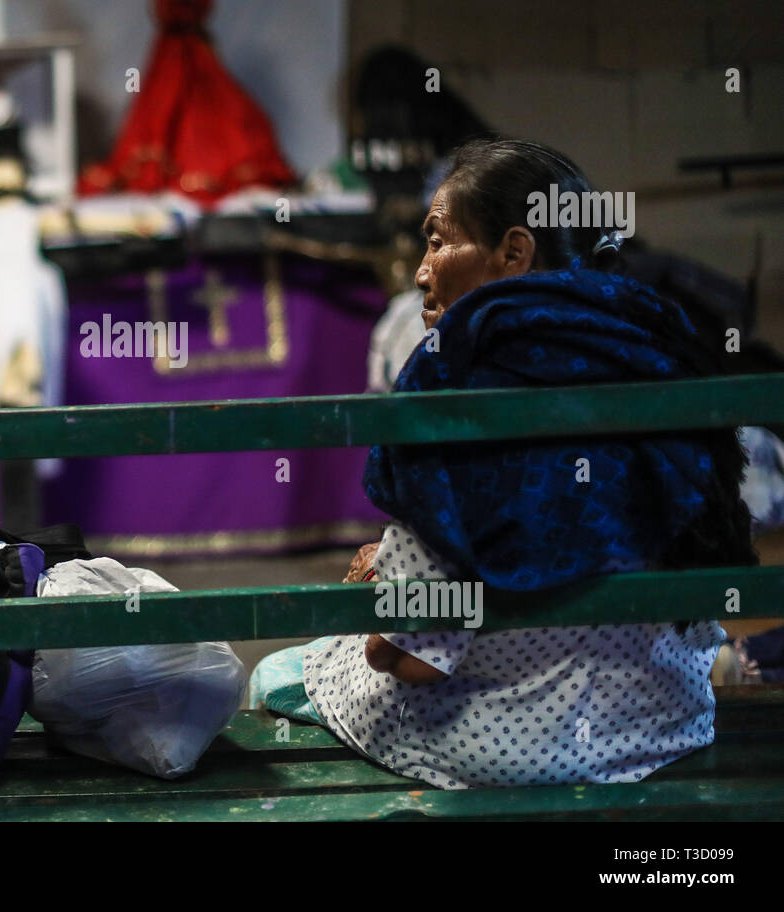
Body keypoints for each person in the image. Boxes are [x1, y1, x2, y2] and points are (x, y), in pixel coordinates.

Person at [251, 137, 757, 787]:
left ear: (514, 252)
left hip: (519, 743)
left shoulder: (455, 385)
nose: (420, 270)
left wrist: (374, 595)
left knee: (277, 674)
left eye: (438, 240)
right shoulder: (660, 348)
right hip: (662, 720)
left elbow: (414, 658)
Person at [79, 0, 295, 203]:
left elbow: (204, 4)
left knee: (219, 107)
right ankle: (166, 170)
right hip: (172, 52)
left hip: (195, 50)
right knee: (164, 105)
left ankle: (212, 166)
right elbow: (163, 11)